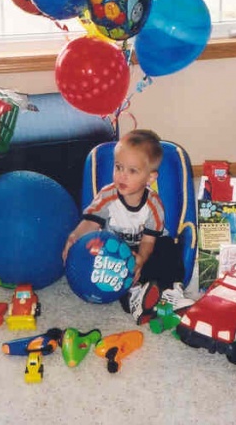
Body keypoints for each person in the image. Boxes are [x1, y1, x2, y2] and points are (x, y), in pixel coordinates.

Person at [62, 129, 190, 324]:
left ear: (150, 178)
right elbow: (91, 222)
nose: (122, 176)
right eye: (118, 167)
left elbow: (149, 240)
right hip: (117, 251)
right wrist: (75, 236)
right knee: (108, 269)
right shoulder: (108, 195)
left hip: (147, 248)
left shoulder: (153, 204)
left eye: (132, 171)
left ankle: (170, 291)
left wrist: (140, 260)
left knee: (169, 249)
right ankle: (134, 296)